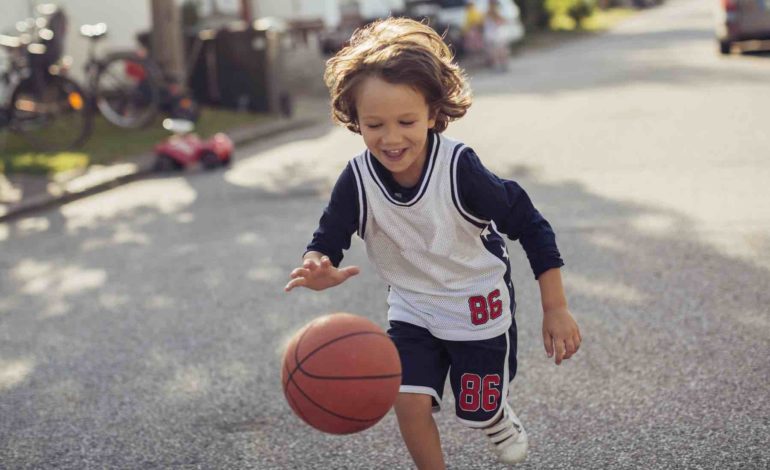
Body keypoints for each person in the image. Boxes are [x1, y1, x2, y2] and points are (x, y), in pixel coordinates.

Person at [284, 17, 581, 469]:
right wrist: (318, 264)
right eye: (374, 124)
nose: (391, 137)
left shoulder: (459, 170)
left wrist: (555, 307)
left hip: (476, 303)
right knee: (408, 400)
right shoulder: (358, 179)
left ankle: (495, 416)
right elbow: (328, 235)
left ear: (432, 114)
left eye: (406, 121)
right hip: (413, 305)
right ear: (355, 120)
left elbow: (531, 224)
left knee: (476, 407)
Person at [484, 0, 510, 71]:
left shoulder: (492, 12)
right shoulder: (491, 12)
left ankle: (500, 65)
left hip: (496, 35)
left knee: (498, 51)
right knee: (497, 51)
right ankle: (500, 65)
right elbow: (501, 22)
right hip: (495, 35)